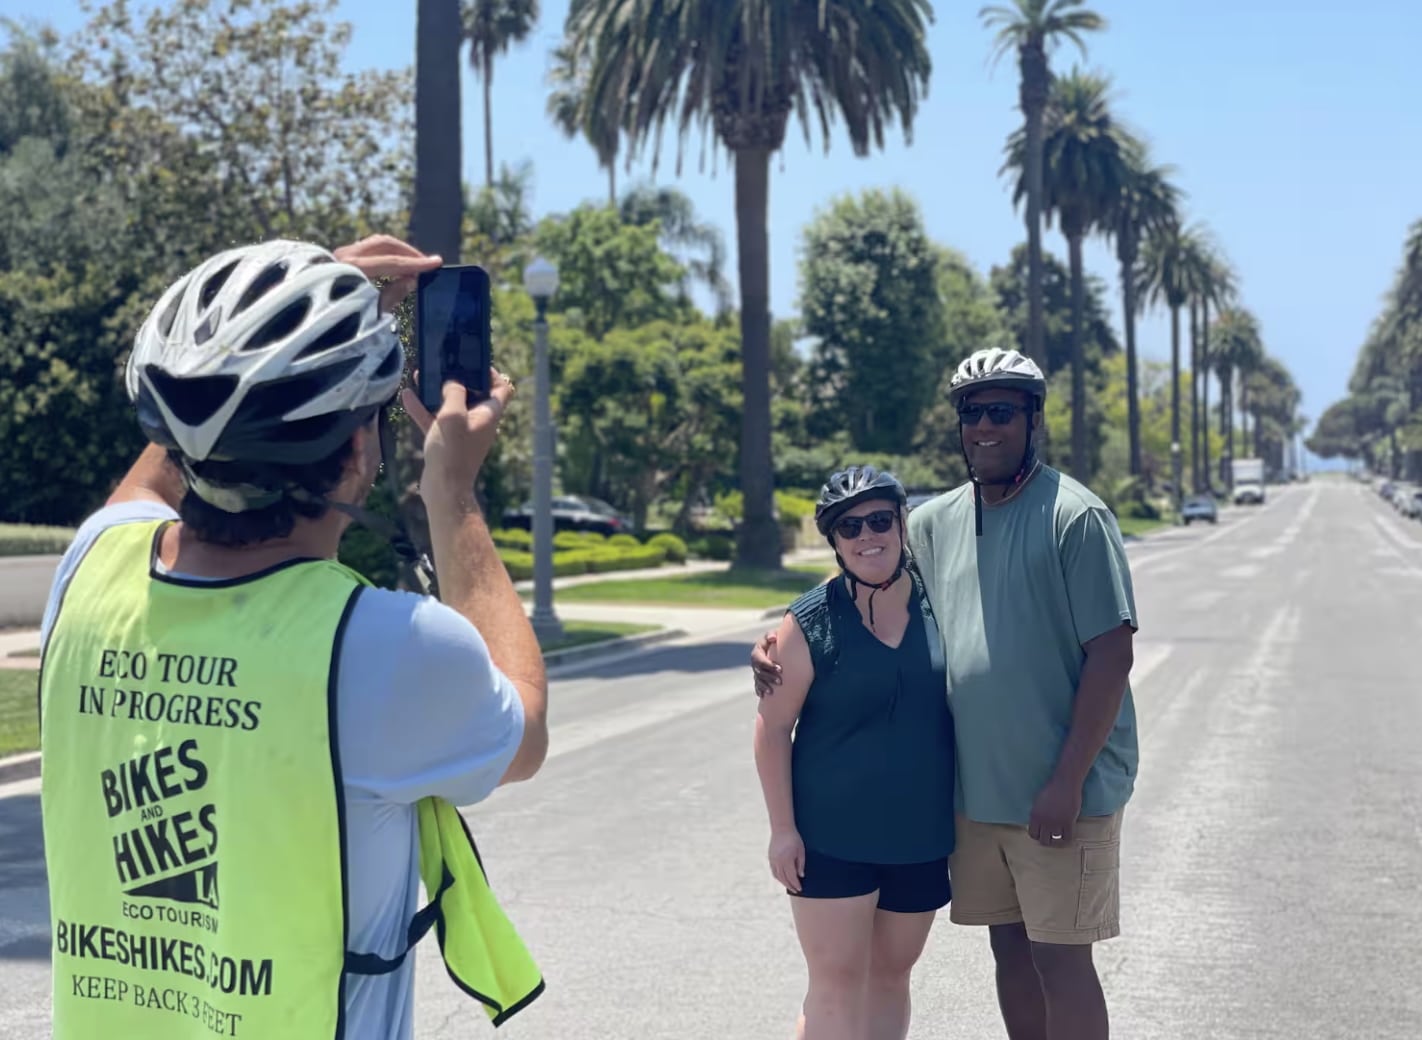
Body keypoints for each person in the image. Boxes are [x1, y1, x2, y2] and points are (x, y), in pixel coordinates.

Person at [37, 235, 549, 1039]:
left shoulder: (90, 573)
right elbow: (524, 730)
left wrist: (249, 351)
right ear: (357, 451)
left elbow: (150, 478)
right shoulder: (383, 646)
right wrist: (451, 490)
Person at [753, 348, 1139, 1040]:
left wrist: (1067, 781)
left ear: (1032, 419)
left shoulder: (1075, 517)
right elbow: (867, 587)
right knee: (1011, 954)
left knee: (1062, 960)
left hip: (1059, 794)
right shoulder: (934, 523)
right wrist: (779, 641)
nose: (984, 427)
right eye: (971, 413)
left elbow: (1112, 655)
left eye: (1001, 412)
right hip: (977, 801)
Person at [753, 465, 956, 1040]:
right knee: (836, 984)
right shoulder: (808, 622)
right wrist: (781, 830)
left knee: (892, 976)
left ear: (900, 521)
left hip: (920, 835)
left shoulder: (943, 602)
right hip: (830, 838)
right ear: (835, 542)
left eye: (879, 519)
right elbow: (771, 730)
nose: (868, 536)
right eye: (849, 527)